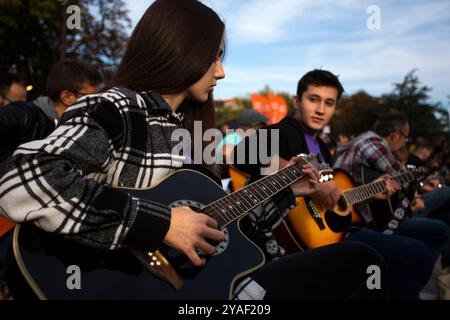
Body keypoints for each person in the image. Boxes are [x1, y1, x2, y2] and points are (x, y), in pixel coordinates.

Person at [0, 0, 386, 300]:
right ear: (180, 49)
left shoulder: (191, 131)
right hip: (131, 287)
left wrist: (284, 189)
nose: (221, 72)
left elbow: (232, 234)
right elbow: (20, 180)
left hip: (201, 290)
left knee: (361, 259)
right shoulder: (118, 107)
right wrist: (163, 224)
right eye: (215, 56)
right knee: (363, 262)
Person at [232, 69, 441, 299]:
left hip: (328, 236)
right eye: (314, 99)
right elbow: (244, 153)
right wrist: (300, 174)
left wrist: (371, 192)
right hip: (287, 247)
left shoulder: (321, 148)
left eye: (329, 103)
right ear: (296, 101)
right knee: (417, 256)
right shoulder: (284, 132)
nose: (321, 109)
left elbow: (331, 200)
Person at [0, 60, 103, 163]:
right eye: (91, 97)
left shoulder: (78, 128)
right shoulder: (22, 114)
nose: (97, 103)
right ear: (67, 97)